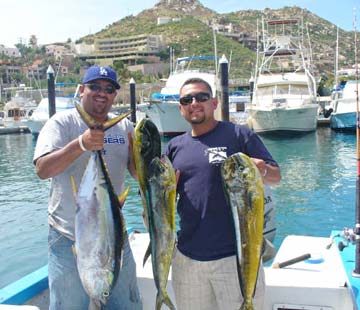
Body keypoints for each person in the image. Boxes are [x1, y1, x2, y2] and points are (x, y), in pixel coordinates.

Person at [165, 77, 281, 310]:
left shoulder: (239, 135)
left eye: (202, 97)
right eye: (187, 99)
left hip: (236, 258)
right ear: (181, 108)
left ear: (215, 102)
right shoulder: (174, 146)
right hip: (187, 259)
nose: (194, 103)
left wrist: (262, 169)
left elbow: (275, 177)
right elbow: (161, 197)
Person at [33, 66, 142, 309]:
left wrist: (151, 161)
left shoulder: (125, 128)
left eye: (109, 89)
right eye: (95, 87)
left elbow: (136, 173)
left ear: (115, 95)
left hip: (113, 235)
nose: (102, 93)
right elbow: (42, 170)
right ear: (81, 90)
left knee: (128, 305)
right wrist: (81, 144)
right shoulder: (61, 123)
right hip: (68, 237)